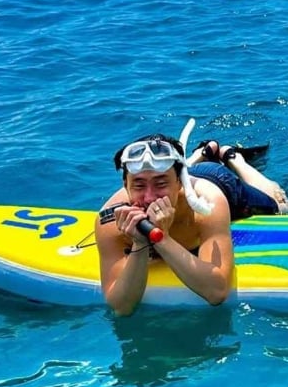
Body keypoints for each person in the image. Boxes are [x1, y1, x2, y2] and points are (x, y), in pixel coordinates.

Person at [96, 132, 234, 315]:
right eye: (139, 185)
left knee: (272, 201)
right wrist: (140, 243)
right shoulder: (110, 220)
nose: (149, 198)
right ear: (125, 185)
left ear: (179, 183)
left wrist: (162, 238)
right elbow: (121, 307)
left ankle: (231, 157)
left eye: (160, 184)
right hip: (181, 175)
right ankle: (203, 152)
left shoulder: (208, 204)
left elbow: (217, 292)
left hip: (218, 180)